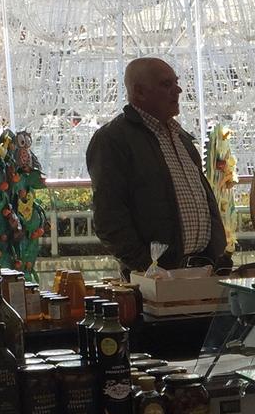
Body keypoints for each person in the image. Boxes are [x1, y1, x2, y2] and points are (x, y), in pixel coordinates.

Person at [87, 57, 230, 275]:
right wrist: (148, 267)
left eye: (176, 82)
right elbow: (109, 218)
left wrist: (215, 255)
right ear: (139, 92)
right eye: (166, 84)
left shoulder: (181, 138)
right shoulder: (113, 139)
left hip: (201, 270)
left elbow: (204, 199)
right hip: (153, 280)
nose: (178, 90)